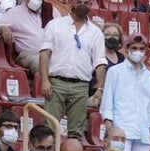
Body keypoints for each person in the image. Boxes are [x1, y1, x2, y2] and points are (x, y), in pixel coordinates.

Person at [39, 0, 107, 140]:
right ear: (70, 3)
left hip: (81, 86)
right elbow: (44, 53)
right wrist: (45, 81)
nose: (83, 5)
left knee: (76, 132)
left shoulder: (96, 32)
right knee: (49, 128)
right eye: (79, 1)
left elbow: (100, 62)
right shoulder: (55, 25)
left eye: (87, 2)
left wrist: (100, 87)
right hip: (56, 82)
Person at [100, 35, 150, 151]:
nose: (138, 52)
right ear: (126, 49)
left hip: (142, 130)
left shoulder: (149, 76)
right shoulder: (115, 71)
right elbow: (107, 102)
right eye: (134, 48)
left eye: (141, 49)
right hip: (121, 129)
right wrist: (109, 127)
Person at [0, 0, 47, 74]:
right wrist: (2, 28)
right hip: (29, 54)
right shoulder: (14, 13)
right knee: (42, 63)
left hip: (52, 54)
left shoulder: (51, 11)